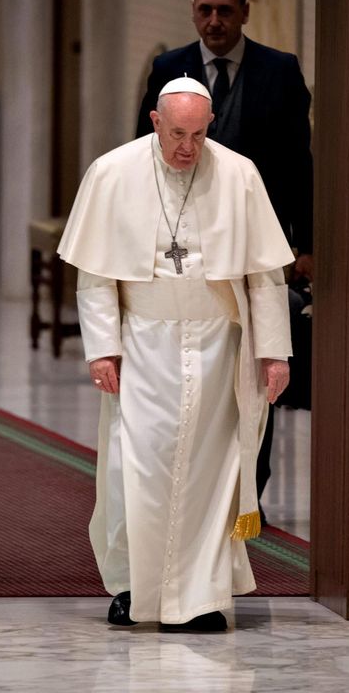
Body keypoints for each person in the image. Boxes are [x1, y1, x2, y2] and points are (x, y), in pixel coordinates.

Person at [59, 77, 293, 632]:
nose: (188, 147)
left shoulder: (238, 174)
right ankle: (132, 588)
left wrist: (275, 352)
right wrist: (103, 350)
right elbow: (95, 277)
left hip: (219, 343)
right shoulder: (112, 173)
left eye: (198, 134)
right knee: (133, 469)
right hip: (143, 341)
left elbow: (265, 277)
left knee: (211, 473)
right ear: (154, 121)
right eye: (177, 133)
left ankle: (201, 598)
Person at [135, 0, 313, 521]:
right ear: (193, 11)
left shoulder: (279, 72)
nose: (215, 21)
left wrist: (305, 244)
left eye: (225, 11)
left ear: (244, 14)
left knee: (255, 378)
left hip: (255, 252)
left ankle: (246, 501)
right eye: (206, 10)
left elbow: (299, 165)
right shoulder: (169, 69)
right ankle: (184, 496)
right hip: (181, 255)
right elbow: (143, 159)